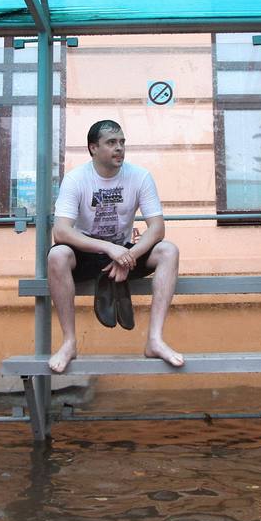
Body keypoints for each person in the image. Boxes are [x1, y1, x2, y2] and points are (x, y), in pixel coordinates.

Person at [46, 120, 183, 374]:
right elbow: (61, 231)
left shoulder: (140, 176)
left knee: (169, 250)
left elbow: (157, 228)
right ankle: (69, 342)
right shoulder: (76, 179)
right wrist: (109, 249)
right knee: (58, 254)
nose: (119, 148)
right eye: (111, 143)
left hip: (125, 252)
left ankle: (155, 340)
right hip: (88, 254)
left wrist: (127, 255)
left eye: (122, 142)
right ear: (93, 149)